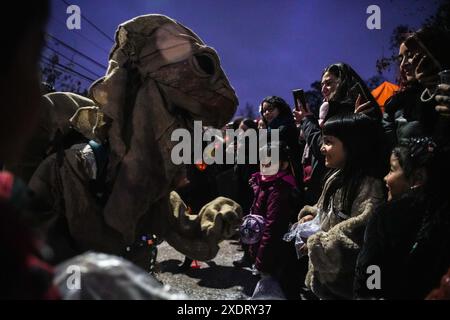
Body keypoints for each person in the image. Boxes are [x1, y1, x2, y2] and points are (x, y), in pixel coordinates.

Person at [297, 113, 386, 299]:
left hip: (344, 287)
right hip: (326, 281)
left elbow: (359, 233)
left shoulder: (369, 187)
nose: (322, 148)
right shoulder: (337, 176)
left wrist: (319, 244)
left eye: (328, 142)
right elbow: (327, 209)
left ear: (353, 145)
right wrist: (314, 216)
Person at [354, 137, 450, 299]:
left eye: (392, 170)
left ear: (418, 178)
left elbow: (371, 267)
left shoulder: (385, 216)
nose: (385, 178)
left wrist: (372, 294)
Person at [294, 63, 383, 205]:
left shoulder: (353, 110)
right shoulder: (333, 109)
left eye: (328, 83)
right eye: (322, 84)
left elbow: (320, 147)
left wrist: (306, 121)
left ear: (343, 81)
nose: (323, 89)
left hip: (348, 189)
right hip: (329, 185)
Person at [247, 142, 303, 299]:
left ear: (284, 164)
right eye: (262, 159)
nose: (264, 164)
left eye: (270, 161)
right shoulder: (265, 183)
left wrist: (261, 261)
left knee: (281, 291)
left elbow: (273, 227)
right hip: (267, 251)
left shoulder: (279, 189)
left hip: (276, 254)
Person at [383, 27, 450, 149]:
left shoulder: (445, 89)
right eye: (400, 59)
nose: (403, 64)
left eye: (410, 55)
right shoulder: (396, 105)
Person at [259, 96, 304, 191]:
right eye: (264, 111)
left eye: (270, 109)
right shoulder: (270, 129)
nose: (266, 113)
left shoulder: (286, 127)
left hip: (289, 176)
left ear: (280, 109)